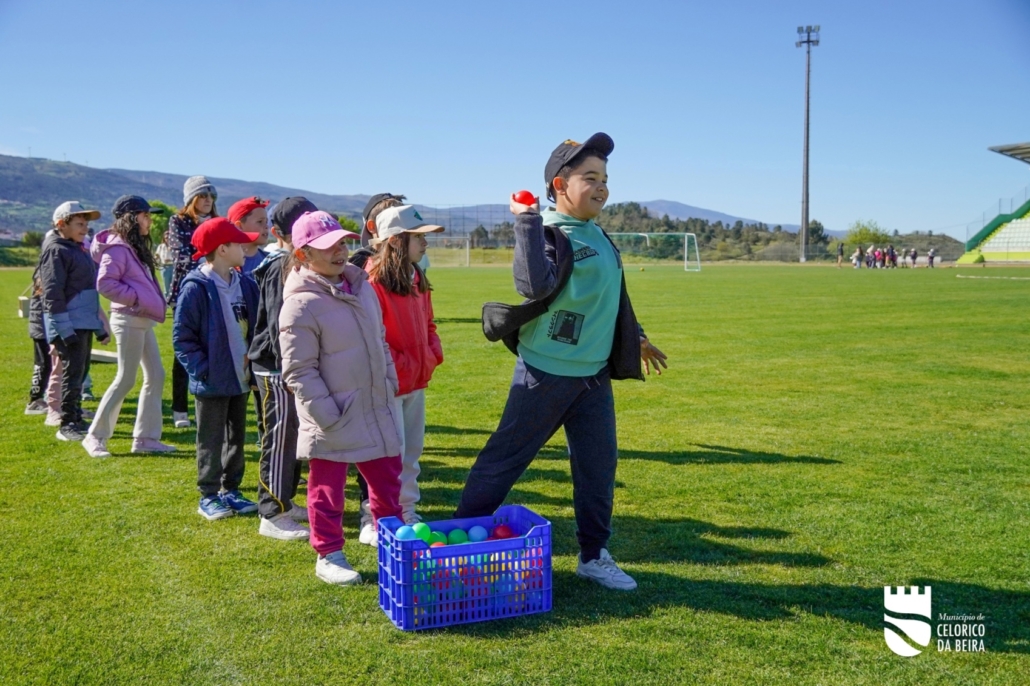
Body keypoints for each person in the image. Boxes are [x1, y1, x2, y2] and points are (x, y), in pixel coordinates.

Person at [457, 133, 668, 591]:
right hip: (545, 374)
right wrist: (527, 222)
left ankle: (593, 555)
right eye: (590, 178)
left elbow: (610, 296)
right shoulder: (552, 231)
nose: (602, 187)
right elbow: (533, 285)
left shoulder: (597, 232)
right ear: (559, 184)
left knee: (598, 467)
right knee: (503, 461)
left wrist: (639, 337)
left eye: (605, 179)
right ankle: (457, 544)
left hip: (592, 377)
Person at [279, 211, 403, 586]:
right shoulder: (299, 304)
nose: (339, 252)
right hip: (333, 416)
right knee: (326, 492)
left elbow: (379, 339)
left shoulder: (362, 286)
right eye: (327, 247)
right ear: (302, 255)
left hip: (374, 405)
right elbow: (298, 370)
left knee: (388, 484)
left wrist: (388, 380)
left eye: (343, 243)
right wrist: (328, 415)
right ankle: (329, 554)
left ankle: (393, 546)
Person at [173, 218, 261, 520]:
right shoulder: (196, 288)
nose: (245, 247)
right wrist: (204, 371)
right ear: (222, 250)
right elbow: (182, 339)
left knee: (237, 437)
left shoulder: (246, 284)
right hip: (212, 380)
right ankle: (208, 495)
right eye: (238, 243)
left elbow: (257, 328)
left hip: (241, 378)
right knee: (210, 439)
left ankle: (231, 490)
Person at [365, 204, 445, 534]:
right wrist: (402, 366)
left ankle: (407, 510)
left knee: (412, 451)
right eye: (419, 237)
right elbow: (374, 340)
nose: (426, 243)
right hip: (389, 385)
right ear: (397, 241)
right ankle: (384, 515)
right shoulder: (373, 284)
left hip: (416, 381)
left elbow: (429, 324)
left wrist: (431, 354)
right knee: (391, 454)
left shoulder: (417, 278)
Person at [82, 196, 175, 458]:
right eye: (146, 215)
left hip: (141, 320)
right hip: (129, 319)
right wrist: (136, 300)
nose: (150, 220)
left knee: (156, 375)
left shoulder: (130, 246)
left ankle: (145, 438)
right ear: (132, 218)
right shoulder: (119, 248)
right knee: (125, 378)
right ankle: (95, 436)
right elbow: (106, 284)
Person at [248, 197, 318, 541]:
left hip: (287, 367)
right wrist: (290, 371)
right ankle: (271, 513)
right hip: (275, 369)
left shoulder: (295, 262)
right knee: (278, 440)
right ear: (282, 234)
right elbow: (278, 325)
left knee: (292, 439)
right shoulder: (280, 267)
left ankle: (284, 501)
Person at [348, 192, 406, 540]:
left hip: (394, 373)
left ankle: (389, 510)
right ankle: (367, 515)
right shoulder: (358, 267)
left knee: (390, 448)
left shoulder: (408, 268)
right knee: (366, 448)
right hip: (362, 373)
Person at [37, 201, 110, 441]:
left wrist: (99, 327)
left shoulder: (77, 248)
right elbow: (52, 294)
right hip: (69, 325)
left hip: (83, 323)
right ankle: (67, 424)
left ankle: (76, 417)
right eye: (79, 224)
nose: (85, 229)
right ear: (61, 225)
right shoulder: (56, 250)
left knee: (79, 374)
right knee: (71, 374)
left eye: (87, 224)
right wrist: (64, 329)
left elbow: (89, 292)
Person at [167, 175, 218, 429]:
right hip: (186, 292)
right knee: (184, 350)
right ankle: (179, 409)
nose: (208, 200)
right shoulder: (177, 221)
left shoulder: (219, 222)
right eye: (203, 195)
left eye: (211, 196)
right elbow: (181, 254)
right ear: (191, 199)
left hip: (215, 290)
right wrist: (209, 261)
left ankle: (207, 404)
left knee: (210, 346)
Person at [231, 196, 272, 276]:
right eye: (260, 221)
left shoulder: (270, 261)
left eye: (266, 221)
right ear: (239, 226)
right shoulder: (228, 265)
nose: (266, 226)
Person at [155, 230, 175, 295]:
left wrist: (170, 259)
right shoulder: (161, 246)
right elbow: (157, 255)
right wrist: (155, 260)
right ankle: (166, 302)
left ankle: (173, 301)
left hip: (173, 267)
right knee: (166, 287)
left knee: (173, 286)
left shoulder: (174, 246)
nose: (167, 239)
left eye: (169, 237)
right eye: (166, 238)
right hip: (164, 268)